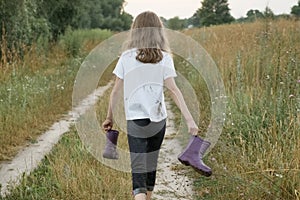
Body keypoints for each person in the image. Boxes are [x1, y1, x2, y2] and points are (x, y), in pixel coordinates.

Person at [102, 11, 210, 200]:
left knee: (138, 171)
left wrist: (109, 118)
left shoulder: (126, 58)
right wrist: (190, 121)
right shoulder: (164, 58)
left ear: (135, 31)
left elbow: (115, 91)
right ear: (158, 32)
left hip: (135, 121)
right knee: (151, 166)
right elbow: (174, 90)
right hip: (158, 121)